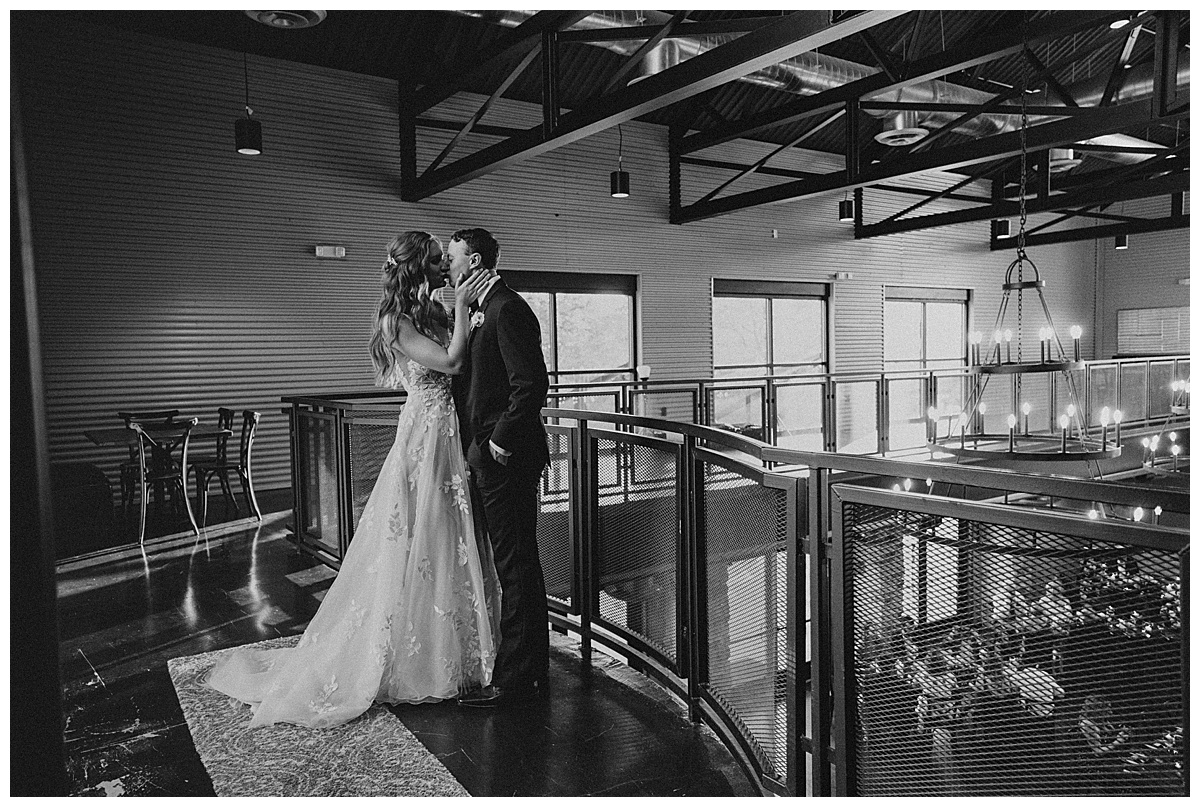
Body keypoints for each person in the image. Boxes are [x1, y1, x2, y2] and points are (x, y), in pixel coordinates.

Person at [203, 231, 499, 729]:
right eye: (432, 261)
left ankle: (456, 645)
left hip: (448, 430)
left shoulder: (431, 310)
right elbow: (451, 362)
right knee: (418, 533)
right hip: (425, 433)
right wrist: (463, 303)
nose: (439, 268)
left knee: (446, 536)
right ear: (415, 268)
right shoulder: (396, 320)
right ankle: (414, 658)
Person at [443, 227, 551, 707]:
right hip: (488, 457)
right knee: (516, 564)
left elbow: (530, 385)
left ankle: (513, 680)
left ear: (476, 260)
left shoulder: (508, 309)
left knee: (515, 566)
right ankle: (531, 667)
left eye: (453, 258)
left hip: (505, 460)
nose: (449, 267)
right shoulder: (484, 310)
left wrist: (496, 446)